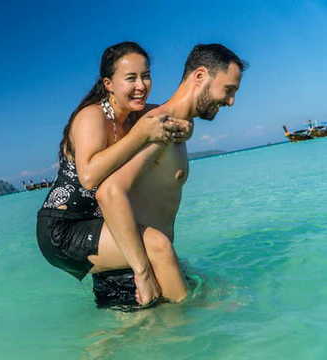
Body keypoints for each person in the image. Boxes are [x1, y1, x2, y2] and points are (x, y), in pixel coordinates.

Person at [36, 41, 193, 306]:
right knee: (158, 246)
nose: (141, 85)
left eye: (146, 76)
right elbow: (88, 176)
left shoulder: (137, 115)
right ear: (108, 84)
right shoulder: (91, 117)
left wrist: (185, 129)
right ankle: (189, 323)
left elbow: (174, 114)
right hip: (63, 228)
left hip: (104, 221)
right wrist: (141, 135)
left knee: (170, 266)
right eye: (131, 78)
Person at [92, 43, 246, 309]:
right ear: (200, 76)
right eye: (229, 90)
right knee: (182, 336)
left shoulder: (176, 125)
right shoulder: (157, 128)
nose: (231, 101)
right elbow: (109, 191)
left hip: (151, 263)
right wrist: (142, 271)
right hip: (132, 273)